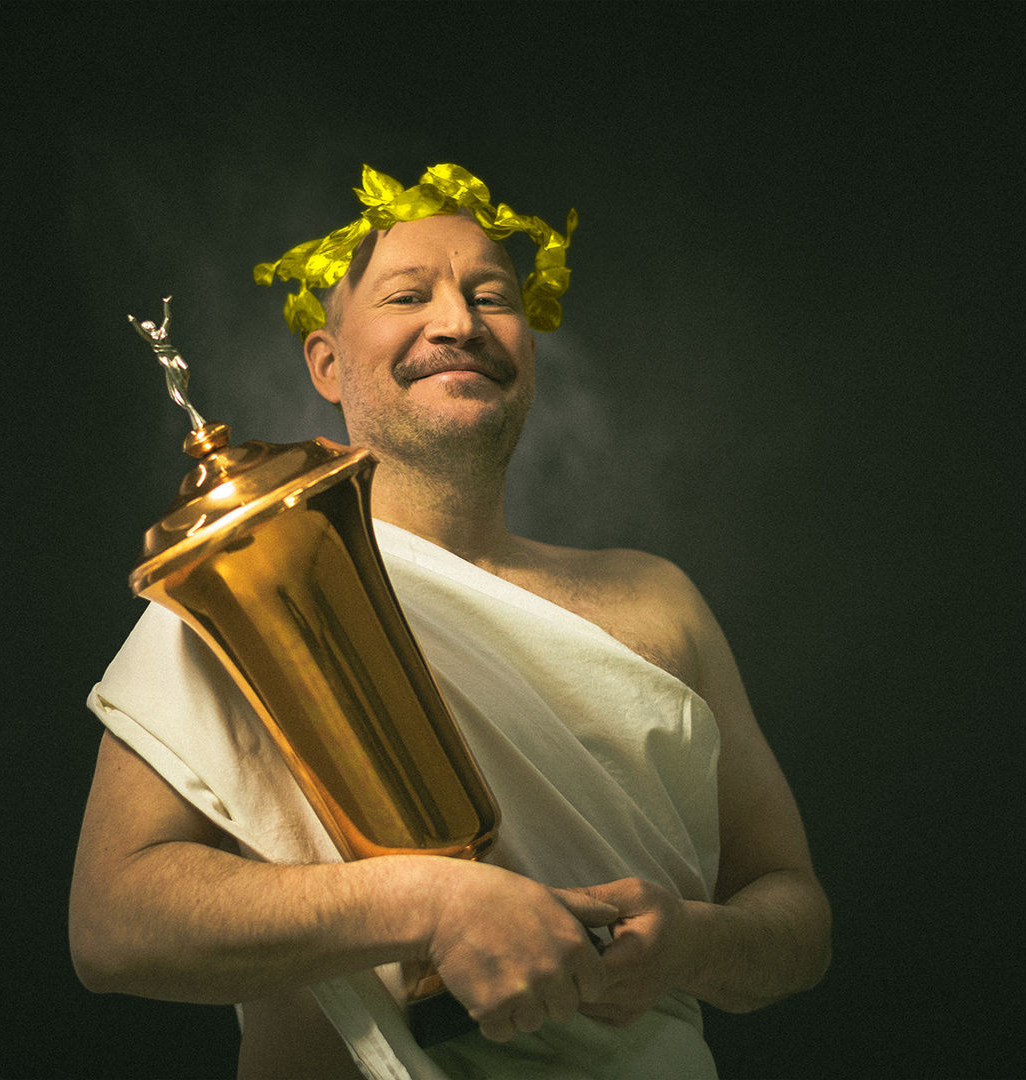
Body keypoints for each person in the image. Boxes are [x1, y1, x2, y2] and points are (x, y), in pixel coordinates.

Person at [70, 165, 830, 1079]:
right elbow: (111, 926)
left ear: (529, 351)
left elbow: (794, 912)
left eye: (491, 296)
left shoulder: (659, 601)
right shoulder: (245, 585)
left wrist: (691, 945)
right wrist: (426, 903)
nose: (459, 323)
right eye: (407, 295)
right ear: (326, 362)